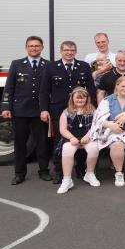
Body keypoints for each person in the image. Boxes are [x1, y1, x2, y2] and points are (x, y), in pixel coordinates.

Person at [40, 40, 97, 183]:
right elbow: (44, 90)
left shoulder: (83, 66)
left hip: (81, 110)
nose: (69, 53)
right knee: (59, 141)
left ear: (75, 52)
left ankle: (80, 169)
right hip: (59, 110)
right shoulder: (51, 67)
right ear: (61, 51)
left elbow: (91, 89)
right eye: (66, 50)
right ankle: (59, 172)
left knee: (81, 139)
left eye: (72, 50)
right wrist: (43, 109)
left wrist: (92, 108)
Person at [2, 36, 51, 184]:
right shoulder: (17, 64)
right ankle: (19, 173)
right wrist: (6, 107)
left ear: (42, 47)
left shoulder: (48, 65)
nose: (34, 48)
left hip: (40, 110)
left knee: (42, 143)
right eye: (31, 46)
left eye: (37, 46)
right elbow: (9, 87)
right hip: (20, 110)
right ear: (26, 48)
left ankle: (44, 171)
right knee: (20, 143)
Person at [91, 76, 125, 187]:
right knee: (117, 145)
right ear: (117, 86)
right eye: (123, 86)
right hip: (113, 129)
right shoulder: (107, 100)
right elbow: (98, 119)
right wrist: (111, 124)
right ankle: (119, 173)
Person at [55, 87, 100, 194]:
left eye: (83, 98)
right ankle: (67, 180)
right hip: (72, 139)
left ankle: (89, 174)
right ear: (72, 99)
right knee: (67, 149)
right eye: (77, 98)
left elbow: (95, 126)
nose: (80, 100)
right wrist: (71, 138)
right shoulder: (66, 112)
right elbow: (62, 129)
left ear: (87, 99)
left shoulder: (93, 111)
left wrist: (88, 136)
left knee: (94, 148)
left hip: (87, 138)